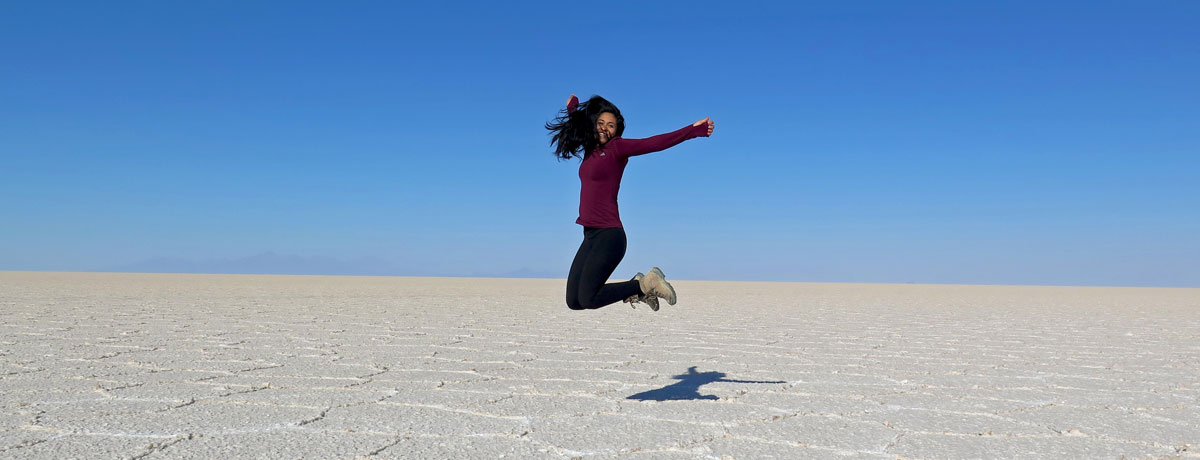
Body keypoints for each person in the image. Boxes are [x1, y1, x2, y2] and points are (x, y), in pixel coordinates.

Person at [546, 94, 714, 311]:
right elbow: (580, 125)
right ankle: (639, 287)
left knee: (588, 298)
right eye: (601, 123)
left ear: (617, 130)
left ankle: (645, 284)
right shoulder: (590, 149)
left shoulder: (617, 148)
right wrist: (573, 109)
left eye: (611, 126)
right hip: (590, 236)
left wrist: (692, 131)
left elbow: (653, 143)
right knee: (574, 302)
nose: (605, 128)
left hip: (609, 236)